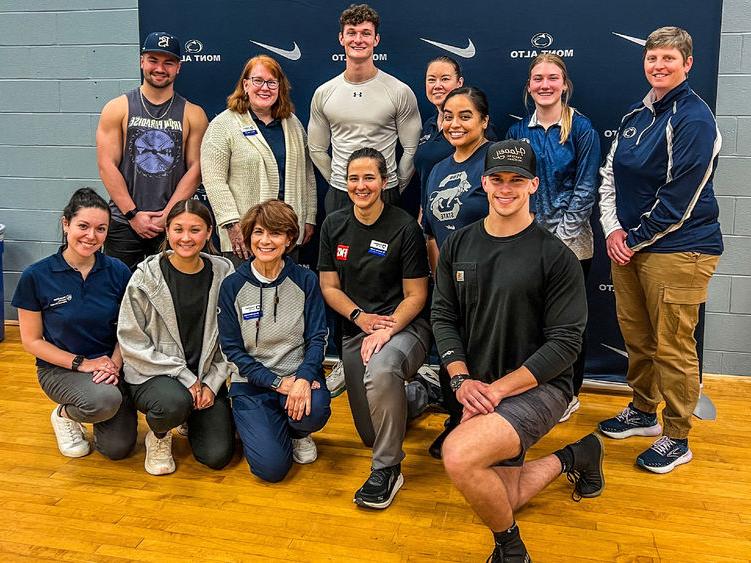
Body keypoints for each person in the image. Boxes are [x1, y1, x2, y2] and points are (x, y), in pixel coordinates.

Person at [433, 140, 604, 562]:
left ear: (533, 185)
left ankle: (511, 549)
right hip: (477, 384)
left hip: (537, 387)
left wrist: (497, 391)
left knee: (458, 454)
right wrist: (460, 377)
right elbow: (442, 316)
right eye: (497, 179)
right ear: (484, 183)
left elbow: (565, 345)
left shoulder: (555, 256)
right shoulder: (458, 245)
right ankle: (577, 455)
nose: (505, 188)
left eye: (517, 180)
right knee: (505, 498)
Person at [597, 26, 723, 474]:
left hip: (681, 249)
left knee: (672, 347)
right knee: (639, 339)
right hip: (629, 247)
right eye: (653, 58)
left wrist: (631, 238)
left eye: (669, 59)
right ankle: (643, 411)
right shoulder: (638, 113)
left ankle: (677, 435)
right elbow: (609, 175)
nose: (659, 66)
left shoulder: (693, 118)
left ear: (687, 64)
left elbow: (679, 199)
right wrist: (613, 230)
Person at [318, 148, 430, 509]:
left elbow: (416, 295)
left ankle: (388, 469)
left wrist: (385, 329)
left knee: (381, 371)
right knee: (370, 433)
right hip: (358, 329)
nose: (361, 185)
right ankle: (420, 395)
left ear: (384, 181)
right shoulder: (334, 224)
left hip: (404, 327)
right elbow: (329, 287)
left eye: (369, 177)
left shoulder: (404, 227)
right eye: (354, 178)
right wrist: (360, 319)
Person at [507, 53, 601, 423]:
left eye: (553, 78)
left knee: (568, 323)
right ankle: (535, 386)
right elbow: (514, 187)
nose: (545, 85)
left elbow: (586, 187)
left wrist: (558, 240)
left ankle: (569, 393)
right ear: (529, 86)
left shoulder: (582, 128)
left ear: (564, 84)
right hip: (528, 240)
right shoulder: (517, 133)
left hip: (572, 245)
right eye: (537, 78)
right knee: (531, 319)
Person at [12, 188, 137, 461]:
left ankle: (101, 402)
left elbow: (129, 329)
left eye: (100, 229)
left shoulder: (117, 271)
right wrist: (83, 363)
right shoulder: (37, 276)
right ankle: (65, 415)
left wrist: (114, 364)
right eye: (83, 226)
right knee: (105, 401)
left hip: (111, 366)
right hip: (61, 369)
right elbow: (31, 341)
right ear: (66, 224)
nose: (91, 236)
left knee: (117, 448)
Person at [117, 200, 235, 475]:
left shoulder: (224, 274)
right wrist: (186, 378)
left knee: (217, 456)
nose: (186, 238)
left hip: (205, 378)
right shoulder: (144, 278)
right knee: (173, 403)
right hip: (156, 376)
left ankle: (189, 417)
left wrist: (211, 383)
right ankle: (159, 436)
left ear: (208, 233)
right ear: (167, 232)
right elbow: (131, 342)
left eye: (195, 230)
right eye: (178, 229)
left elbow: (232, 340)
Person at [217, 200, 330, 482]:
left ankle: (298, 433)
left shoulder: (305, 279)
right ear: (248, 236)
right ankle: (254, 422)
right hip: (253, 384)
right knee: (271, 470)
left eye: (275, 233)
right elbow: (231, 349)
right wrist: (276, 383)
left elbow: (317, 337)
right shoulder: (232, 286)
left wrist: (304, 378)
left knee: (313, 412)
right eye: (258, 232)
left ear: (289, 238)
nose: (265, 241)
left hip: (298, 378)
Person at [420, 86, 494, 458]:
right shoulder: (437, 170)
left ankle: (489, 428)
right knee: (453, 353)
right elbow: (431, 231)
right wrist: (441, 281)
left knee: (488, 356)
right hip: (450, 283)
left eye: (465, 116)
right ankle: (455, 421)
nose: (455, 123)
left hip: (491, 281)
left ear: (484, 121)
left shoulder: (493, 162)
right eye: (448, 116)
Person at [97, 31, 208, 270]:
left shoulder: (193, 113)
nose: (160, 68)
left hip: (172, 227)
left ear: (178, 67)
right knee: (121, 295)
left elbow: (196, 169)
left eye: (168, 62)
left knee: (169, 297)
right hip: (123, 223)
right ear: (141, 61)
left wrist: (168, 215)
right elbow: (107, 164)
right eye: (153, 60)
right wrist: (132, 214)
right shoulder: (117, 108)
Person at [201, 55, 317, 266]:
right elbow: (213, 179)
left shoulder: (293, 124)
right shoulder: (224, 124)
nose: (265, 88)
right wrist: (232, 225)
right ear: (246, 85)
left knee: (285, 295)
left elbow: (307, 174)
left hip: (287, 234)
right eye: (258, 81)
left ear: (280, 87)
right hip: (245, 238)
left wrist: (308, 217)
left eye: (272, 82)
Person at [308, 3, 422, 214]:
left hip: (384, 192)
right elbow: (316, 149)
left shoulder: (399, 91)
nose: (358, 40)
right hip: (340, 194)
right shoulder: (324, 93)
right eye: (351, 33)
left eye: (365, 33)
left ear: (376, 40)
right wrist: (341, 182)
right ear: (341, 38)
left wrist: (393, 186)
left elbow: (411, 149)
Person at [414, 58, 499, 220]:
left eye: (445, 79)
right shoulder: (429, 125)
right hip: (431, 222)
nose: (437, 85)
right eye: (431, 80)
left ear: (459, 82)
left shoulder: (480, 132)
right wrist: (422, 223)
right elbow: (426, 182)